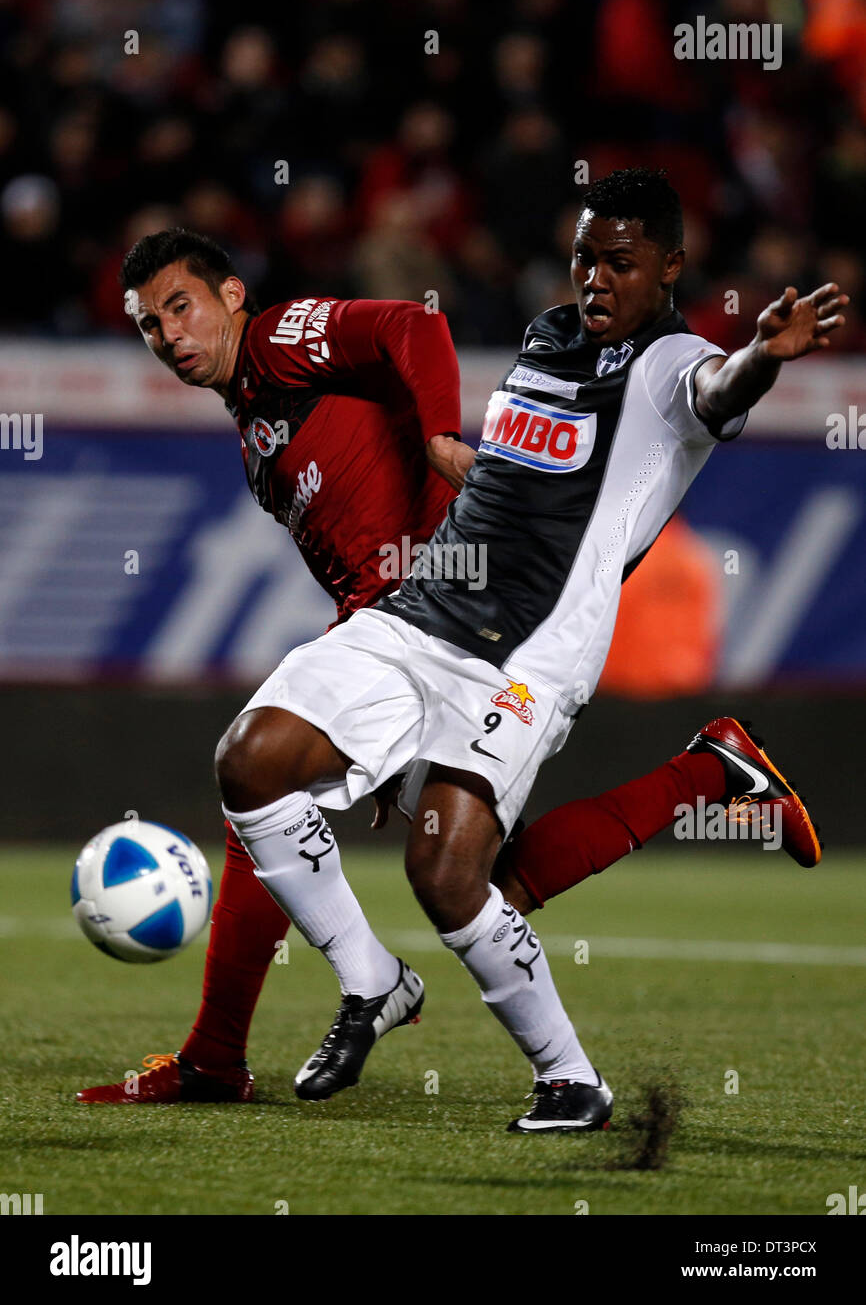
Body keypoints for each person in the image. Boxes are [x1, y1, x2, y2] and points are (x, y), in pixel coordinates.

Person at [78, 177, 828, 1112]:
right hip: (414, 620)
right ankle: (284, 1028)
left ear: (233, 296)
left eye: (179, 308)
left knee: (452, 874)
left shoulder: (284, 339)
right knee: (294, 786)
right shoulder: (543, 340)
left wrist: (758, 352)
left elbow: (416, 330)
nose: (168, 336)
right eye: (149, 325)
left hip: (495, 631)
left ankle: (228, 1058)